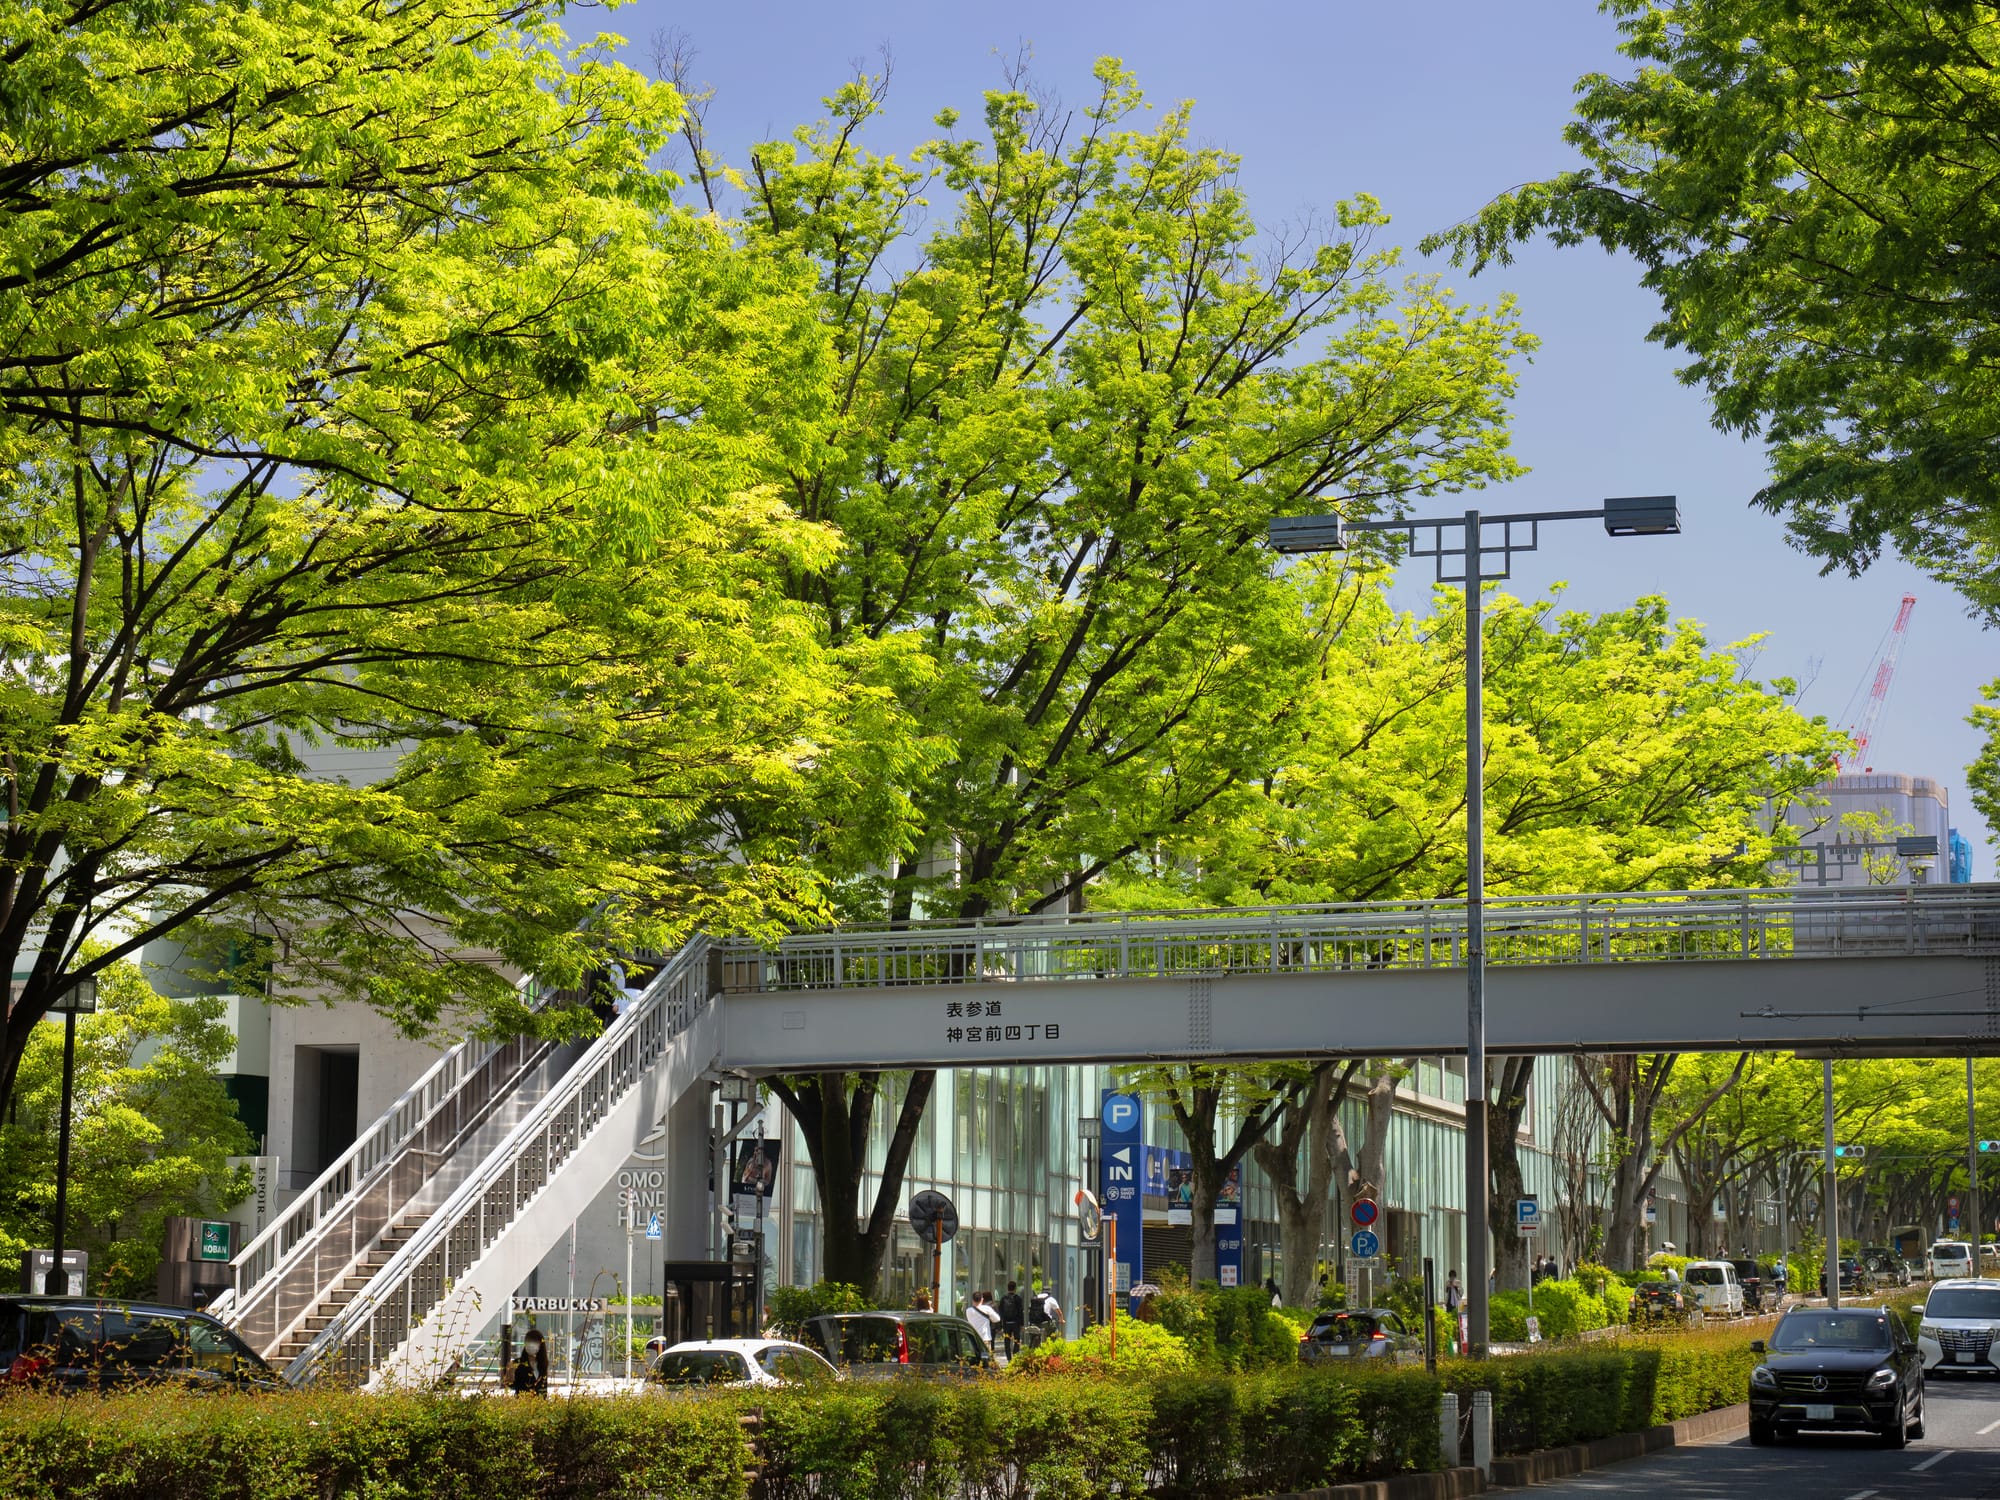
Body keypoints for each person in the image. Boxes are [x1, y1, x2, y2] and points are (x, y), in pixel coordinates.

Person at [509, 1327, 548, 1396]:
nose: (531, 1345)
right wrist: (510, 1374)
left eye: (535, 1342)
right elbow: (512, 1386)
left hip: (540, 1404)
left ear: (540, 1345)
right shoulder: (517, 1363)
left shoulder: (543, 1364)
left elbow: (543, 1388)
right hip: (523, 1403)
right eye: (529, 1341)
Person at [998, 1281, 1025, 1357]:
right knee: (1017, 1340)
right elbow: (1020, 1312)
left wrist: (1001, 1324)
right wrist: (1022, 1324)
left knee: (1007, 1340)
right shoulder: (1018, 1298)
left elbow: (1000, 1312)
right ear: (1015, 1288)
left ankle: (1009, 1358)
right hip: (1016, 1323)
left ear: (1008, 1288)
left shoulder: (1003, 1298)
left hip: (1006, 1323)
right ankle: (1015, 1355)